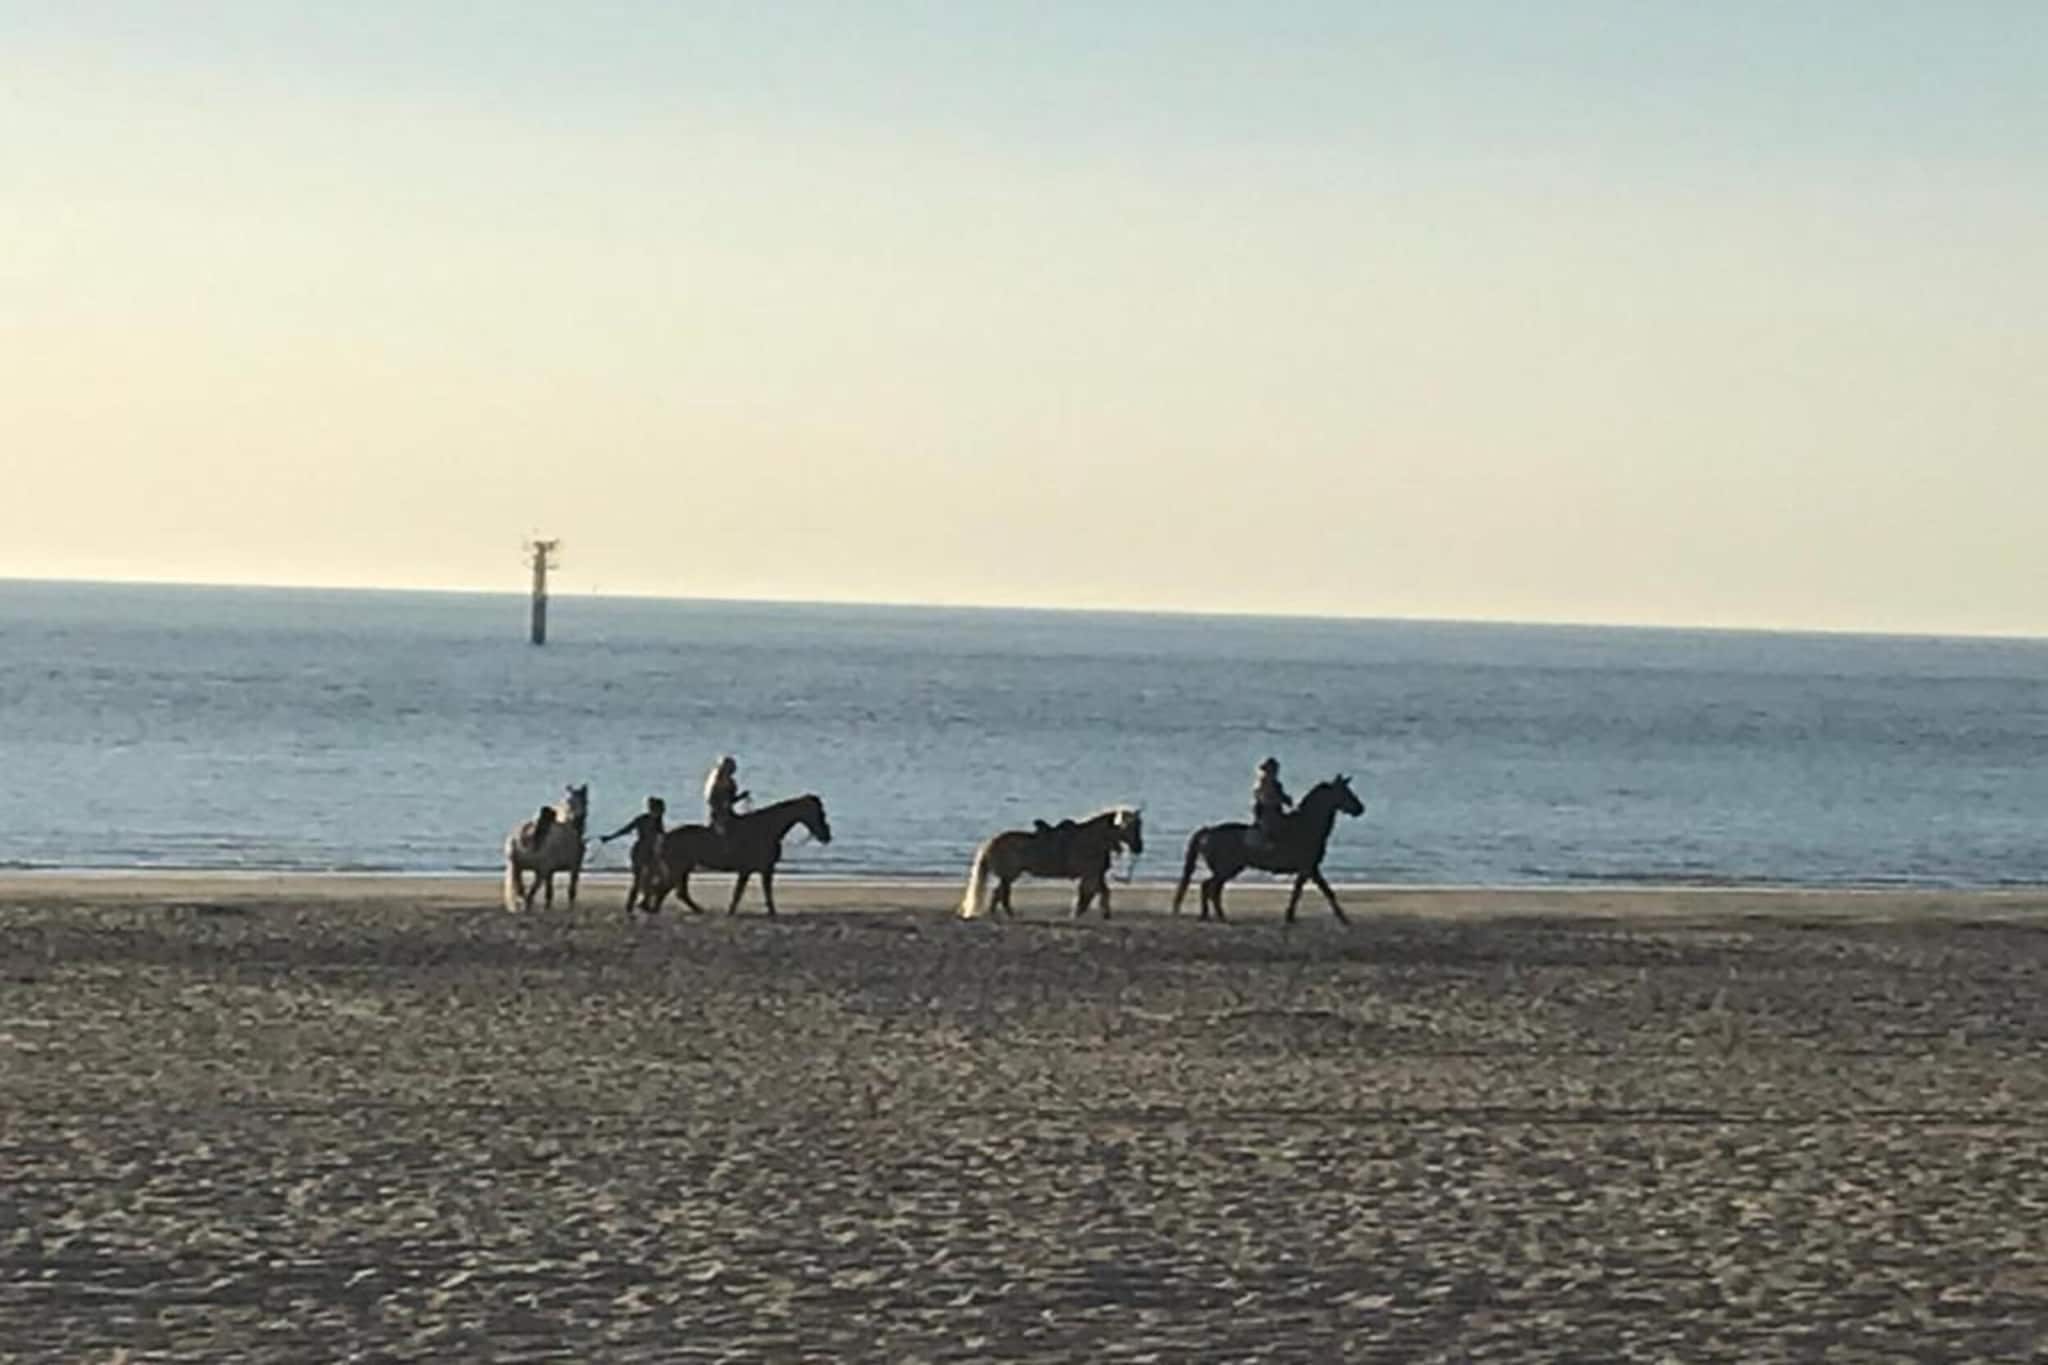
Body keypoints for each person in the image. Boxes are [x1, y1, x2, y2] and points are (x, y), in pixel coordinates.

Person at [601, 796, 666, 910]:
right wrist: (610, 837)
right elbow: (660, 837)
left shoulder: (648, 820)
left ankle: (640, 902)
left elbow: (626, 830)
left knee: (647, 879)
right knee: (644, 879)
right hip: (644, 853)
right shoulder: (652, 821)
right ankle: (635, 904)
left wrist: (610, 837)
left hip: (644, 852)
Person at [1250, 757, 1291, 849]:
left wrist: (1287, 800)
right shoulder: (1262, 784)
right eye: (1272, 771)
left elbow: (1282, 796)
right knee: (1271, 827)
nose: (1274, 773)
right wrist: (1278, 800)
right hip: (1266, 813)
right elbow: (1264, 799)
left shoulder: (1277, 785)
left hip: (1277, 812)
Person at [703, 756, 748, 837]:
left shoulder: (730, 782)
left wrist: (741, 797)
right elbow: (715, 801)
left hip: (727, 813)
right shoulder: (717, 783)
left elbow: (730, 800)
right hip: (720, 816)